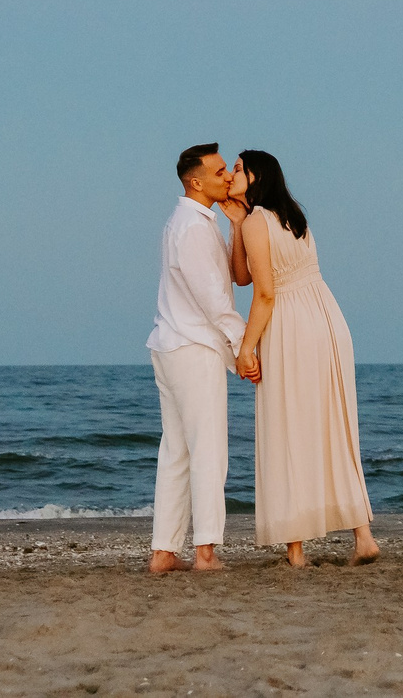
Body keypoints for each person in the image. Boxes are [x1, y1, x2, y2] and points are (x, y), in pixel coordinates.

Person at [228, 149, 380, 567]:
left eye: (238, 168)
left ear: (256, 175)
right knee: (334, 425)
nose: (231, 174)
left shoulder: (259, 221)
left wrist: (245, 348)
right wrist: (237, 223)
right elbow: (243, 274)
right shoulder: (293, 216)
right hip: (327, 319)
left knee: (287, 427)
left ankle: (296, 550)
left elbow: (261, 292)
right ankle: (362, 537)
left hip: (291, 325)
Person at [145, 142, 249, 573]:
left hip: (171, 345)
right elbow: (215, 299)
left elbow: (224, 282)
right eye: (220, 171)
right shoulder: (191, 225)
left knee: (177, 451)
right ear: (196, 181)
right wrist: (246, 347)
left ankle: (164, 552)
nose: (227, 176)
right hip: (193, 349)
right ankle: (205, 551)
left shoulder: (189, 222)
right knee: (207, 451)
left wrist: (236, 224)